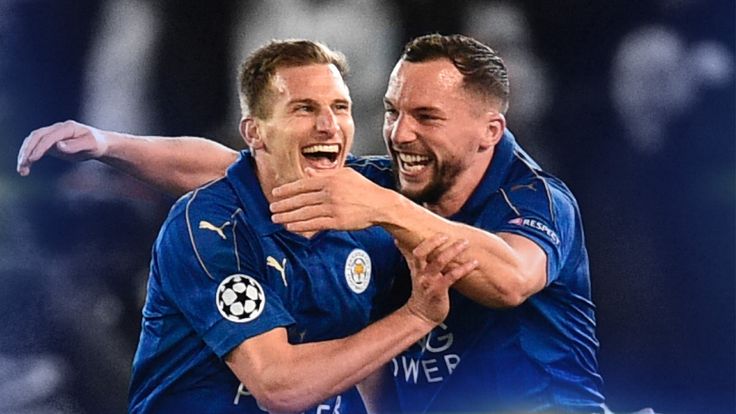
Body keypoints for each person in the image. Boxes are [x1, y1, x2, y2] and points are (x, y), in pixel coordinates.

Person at [18, 35, 605, 412]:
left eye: (426, 117)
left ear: (489, 132)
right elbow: (239, 169)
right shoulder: (388, 184)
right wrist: (108, 143)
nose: (400, 135)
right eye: (392, 112)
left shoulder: (536, 199)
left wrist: (386, 211)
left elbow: (510, 280)